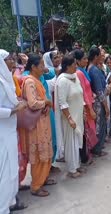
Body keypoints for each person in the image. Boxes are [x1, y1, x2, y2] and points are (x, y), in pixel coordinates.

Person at [23, 53, 55, 196]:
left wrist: (46, 104)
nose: (44, 68)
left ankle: (44, 178)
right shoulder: (30, 81)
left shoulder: (37, 79)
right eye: (41, 65)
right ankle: (36, 186)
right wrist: (46, 102)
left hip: (44, 121)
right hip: (37, 125)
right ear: (34, 67)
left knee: (46, 152)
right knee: (39, 153)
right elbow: (33, 103)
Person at [0, 49, 27, 214]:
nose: (12, 61)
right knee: (5, 171)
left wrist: (17, 104)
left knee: (11, 170)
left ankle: (9, 202)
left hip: (10, 130)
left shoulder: (6, 79)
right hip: (2, 133)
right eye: (9, 59)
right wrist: (15, 110)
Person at [55, 55, 85, 178]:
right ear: (68, 66)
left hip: (78, 114)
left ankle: (76, 165)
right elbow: (62, 103)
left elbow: (80, 94)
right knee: (71, 143)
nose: (76, 66)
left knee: (77, 141)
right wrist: (69, 118)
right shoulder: (62, 81)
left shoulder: (75, 77)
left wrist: (83, 112)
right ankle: (72, 170)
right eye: (74, 64)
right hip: (69, 117)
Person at [74, 49, 97, 165]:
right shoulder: (79, 73)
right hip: (86, 106)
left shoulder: (83, 71)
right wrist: (90, 109)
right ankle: (85, 157)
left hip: (89, 103)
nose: (86, 60)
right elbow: (83, 92)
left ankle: (87, 154)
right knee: (87, 131)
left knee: (89, 130)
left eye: (86, 58)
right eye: (84, 59)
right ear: (77, 61)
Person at [88, 47, 109, 157]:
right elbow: (99, 91)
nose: (102, 57)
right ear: (95, 57)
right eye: (100, 55)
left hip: (97, 101)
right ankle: (97, 149)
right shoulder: (94, 70)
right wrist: (106, 107)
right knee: (99, 125)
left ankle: (97, 147)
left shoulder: (92, 68)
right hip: (98, 103)